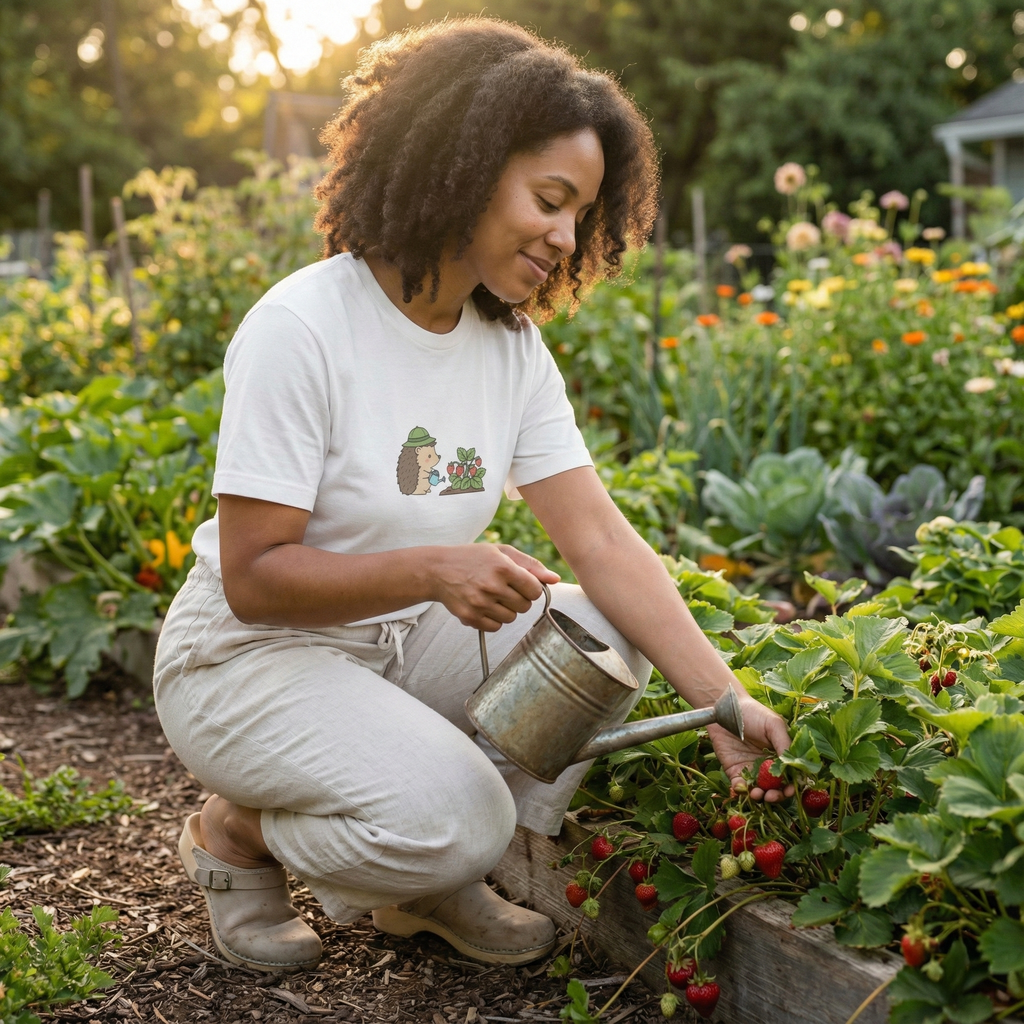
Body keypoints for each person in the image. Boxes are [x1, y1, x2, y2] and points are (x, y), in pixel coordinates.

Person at [153, 17, 792, 974]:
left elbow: (602, 544)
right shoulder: (305, 326)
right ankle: (239, 835)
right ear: (468, 162)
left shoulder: (508, 349)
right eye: (549, 199)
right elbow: (252, 579)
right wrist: (435, 567)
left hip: (395, 640)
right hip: (248, 658)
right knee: (459, 819)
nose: (567, 236)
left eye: (583, 214)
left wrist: (727, 706)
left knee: (600, 638)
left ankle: (428, 871)